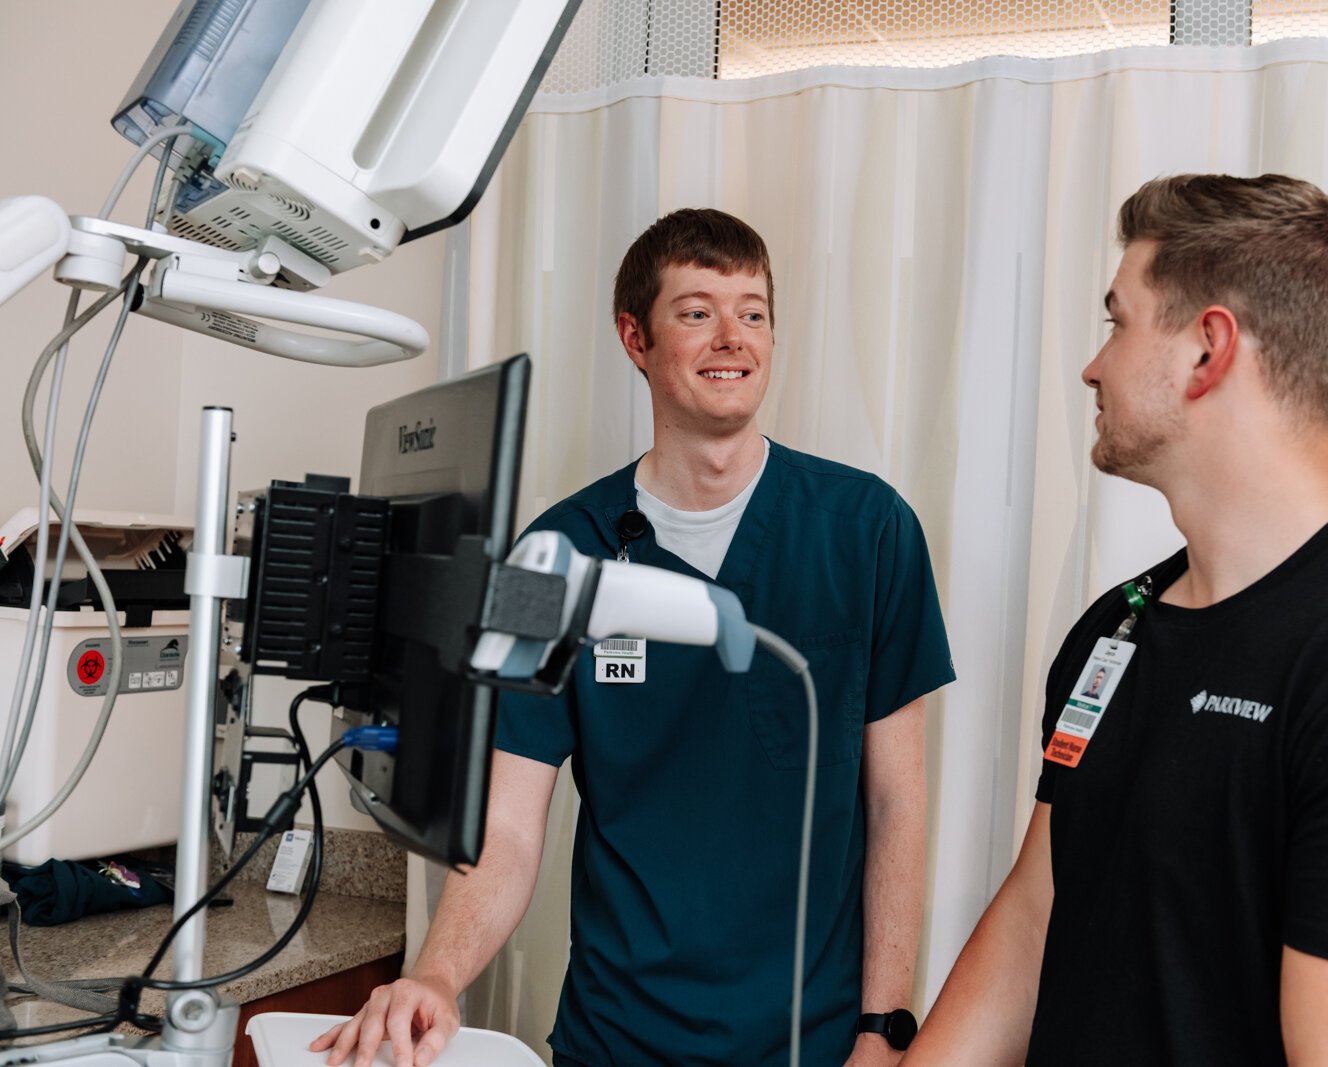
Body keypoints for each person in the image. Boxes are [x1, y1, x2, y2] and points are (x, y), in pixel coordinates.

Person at [905, 174, 1328, 1066]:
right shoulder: (1115, 630)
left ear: (1208, 350)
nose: (1093, 365)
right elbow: (1038, 908)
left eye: (1118, 321)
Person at [314, 208, 955, 1067]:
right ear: (635, 337)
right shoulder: (559, 557)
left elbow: (897, 801)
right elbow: (507, 826)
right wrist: (437, 974)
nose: (733, 337)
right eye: (696, 311)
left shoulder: (868, 529)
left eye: (753, 311)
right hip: (619, 1041)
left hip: (813, 1042)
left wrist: (883, 1029)